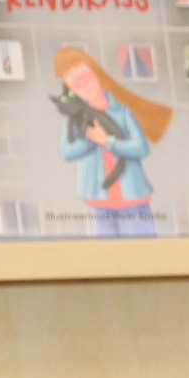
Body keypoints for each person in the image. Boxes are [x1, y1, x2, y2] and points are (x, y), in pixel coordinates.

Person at [52, 47, 168, 238]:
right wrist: (90, 140)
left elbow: (141, 148)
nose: (80, 80)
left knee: (142, 252)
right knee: (108, 254)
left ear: (95, 71)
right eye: (71, 77)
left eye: (82, 71)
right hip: (100, 202)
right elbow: (66, 152)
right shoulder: (76, 117)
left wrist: (107, 141)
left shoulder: (121, 111)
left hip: (133, 199)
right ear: (68, 86)